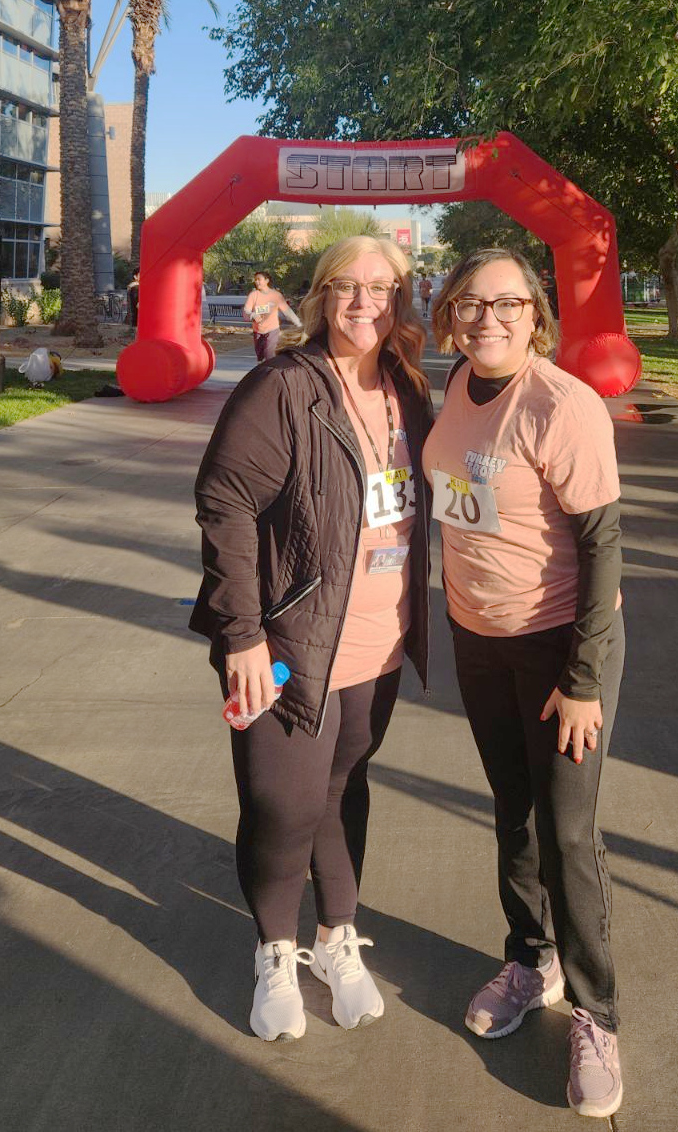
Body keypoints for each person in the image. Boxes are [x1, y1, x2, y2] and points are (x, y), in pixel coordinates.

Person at [191, 236, 432, 1043]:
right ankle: (274, 948)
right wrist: (243, 636)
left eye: (381, 287)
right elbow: (224, 504)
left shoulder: (406, 388)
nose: (365, 302)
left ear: (401, 297)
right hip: (291, 639)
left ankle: (335, 939)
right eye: (346, 286)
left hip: (377, 642)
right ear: (322, 296)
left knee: (341, 791)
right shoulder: (283, 387)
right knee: (281, 805)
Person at [423, 248, 625, 1119]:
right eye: (470, 304)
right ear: (450, 317)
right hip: (479, 639)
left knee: (569, 832)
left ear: (535, 314)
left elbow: (603, 547)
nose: (488, 318)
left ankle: (596, 1013)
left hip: (558, 652)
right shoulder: (458, 389)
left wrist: (583, 679)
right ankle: (529, 959)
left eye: (506, 303)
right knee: (512, 809)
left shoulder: (561, 404)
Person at [243, 270, 302, 360]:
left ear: (267, 280)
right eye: (255, 280)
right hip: (258, 330)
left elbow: (287, 311)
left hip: (272, 330)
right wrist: (253, 315)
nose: (257, 282)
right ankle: (262, 371)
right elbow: (246, 311)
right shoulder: (253, 295)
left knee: (269, 354)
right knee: (260, 357)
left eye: (259, 279)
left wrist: (299, 324)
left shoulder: (276, 295)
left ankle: (270, 370)